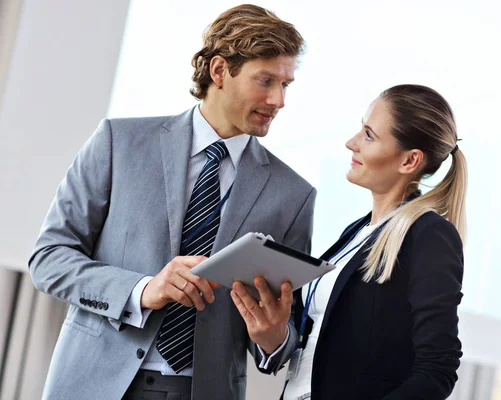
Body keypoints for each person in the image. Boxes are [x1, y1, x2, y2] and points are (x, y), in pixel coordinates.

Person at [28, 5, 314, 400]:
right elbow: (49, 259)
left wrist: (273, 339)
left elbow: (285, 331)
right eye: (265, 80)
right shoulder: (119, 143)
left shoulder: (294, 195)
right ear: (219, 71)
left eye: (286, 84)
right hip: (90, 383)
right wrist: (142, 290)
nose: (278, 100)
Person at [282, 84, 466, 400]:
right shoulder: (356, 232)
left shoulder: (428, 236)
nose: (351, 143)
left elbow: (437, 371)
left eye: (369, 135)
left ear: (409, 161)